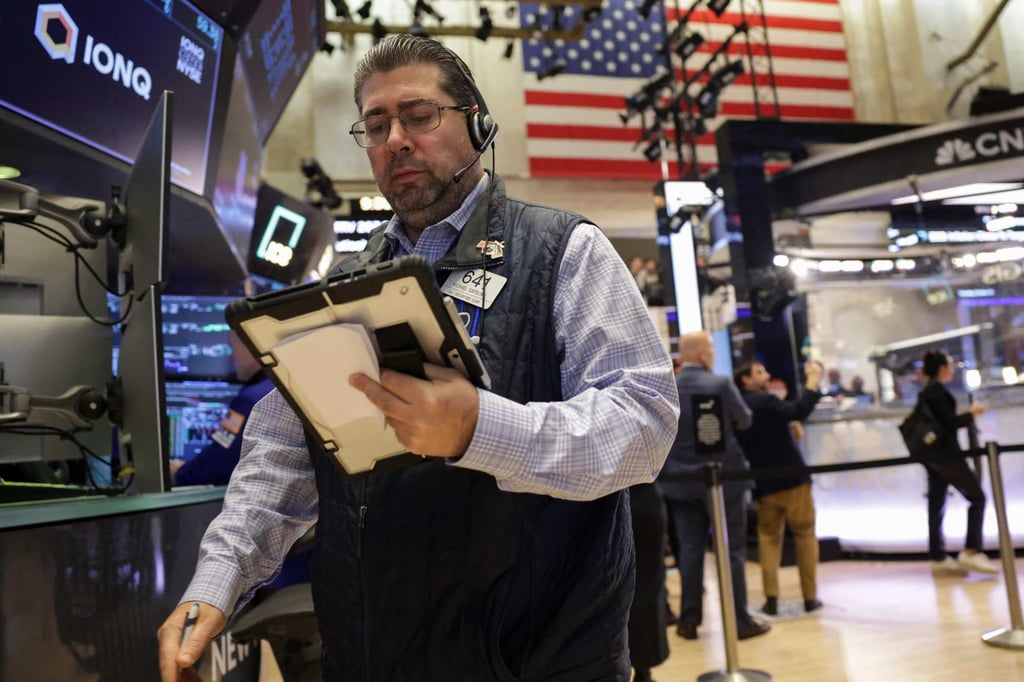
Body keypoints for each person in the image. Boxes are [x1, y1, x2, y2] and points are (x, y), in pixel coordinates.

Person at [157, 35, 679, 682]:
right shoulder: (338, 289)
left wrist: (478, 430)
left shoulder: (565, 252)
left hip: (537, 661)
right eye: (376, 125)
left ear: (478, 123)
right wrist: (217, 581)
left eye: (419, 115)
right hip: (371, 657)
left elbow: (645, 423)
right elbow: (282, 458)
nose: (396, 139)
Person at [657, 331, 770, 641]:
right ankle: (740, 620)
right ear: (704, 355)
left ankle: (689, 620)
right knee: (731, 549)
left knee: (690, 550)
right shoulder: (720, 384)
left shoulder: (670, 387)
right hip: (723, 478)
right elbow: (744, 419)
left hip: (680, 480)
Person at [734, 360, 824, 616]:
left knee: (768, 540)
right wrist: (813, 381)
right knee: (805, 535)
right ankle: (809, 597)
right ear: (746, 380)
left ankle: (771, 598)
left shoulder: (738, 407)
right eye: (760, 372)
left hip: (762, 482)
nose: (768, 374)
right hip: (793, 478)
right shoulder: (765, 401)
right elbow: (800, 409)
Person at [916, 350, 998, 577]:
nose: (952, 369)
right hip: (947, 456)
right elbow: (949, 423)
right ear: (942, 368)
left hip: (933, 457)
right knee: (977, 498)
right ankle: (971, 550)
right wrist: (972, 414)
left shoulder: (927, 392)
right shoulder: (937, 391)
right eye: (950, 365)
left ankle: (938, 555)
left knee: (937, 503)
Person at [170, 331, 274, 487]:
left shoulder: (248, 401)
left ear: (252, 345)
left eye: (232, 348)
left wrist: (180, 474)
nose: (230, 359)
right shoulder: (280, 387)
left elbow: (220, 456)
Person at [627, 483, 670, 682]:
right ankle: (644, 669)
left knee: (647, 587)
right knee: (647, 587)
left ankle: (644, 668)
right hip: (641, 501)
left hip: (631, 502)